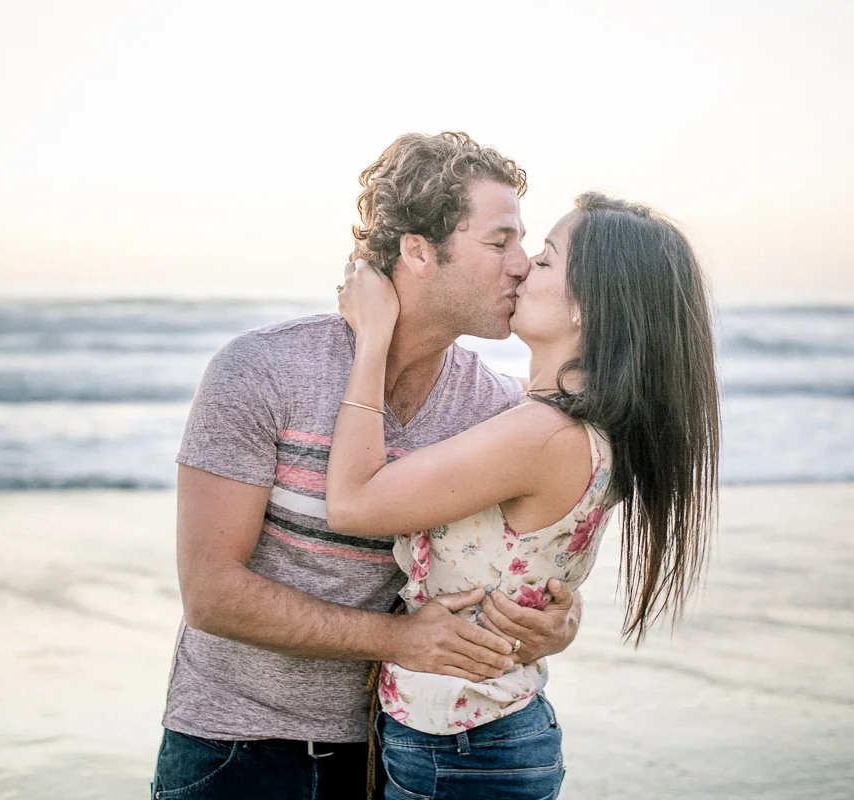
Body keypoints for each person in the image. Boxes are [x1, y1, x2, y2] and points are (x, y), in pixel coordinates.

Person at [151, 132, 584, 800]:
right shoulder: (263, 370)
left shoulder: (497, 412)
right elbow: (211, 593)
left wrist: (558, 619)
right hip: (233, 748)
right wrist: (397, 638)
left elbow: (518, 561)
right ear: (417, 250)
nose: (522, 265)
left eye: (524, 244)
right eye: (500, 243)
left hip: (392, 752)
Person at [327, 192, 721, 800]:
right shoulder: (568, 425)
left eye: (544, 260)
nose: (519, 267)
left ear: (588, 309)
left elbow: (352, 504)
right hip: (476, 738)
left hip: (463, 750)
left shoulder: (543, 436)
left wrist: (373, 340)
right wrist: (562, 623)